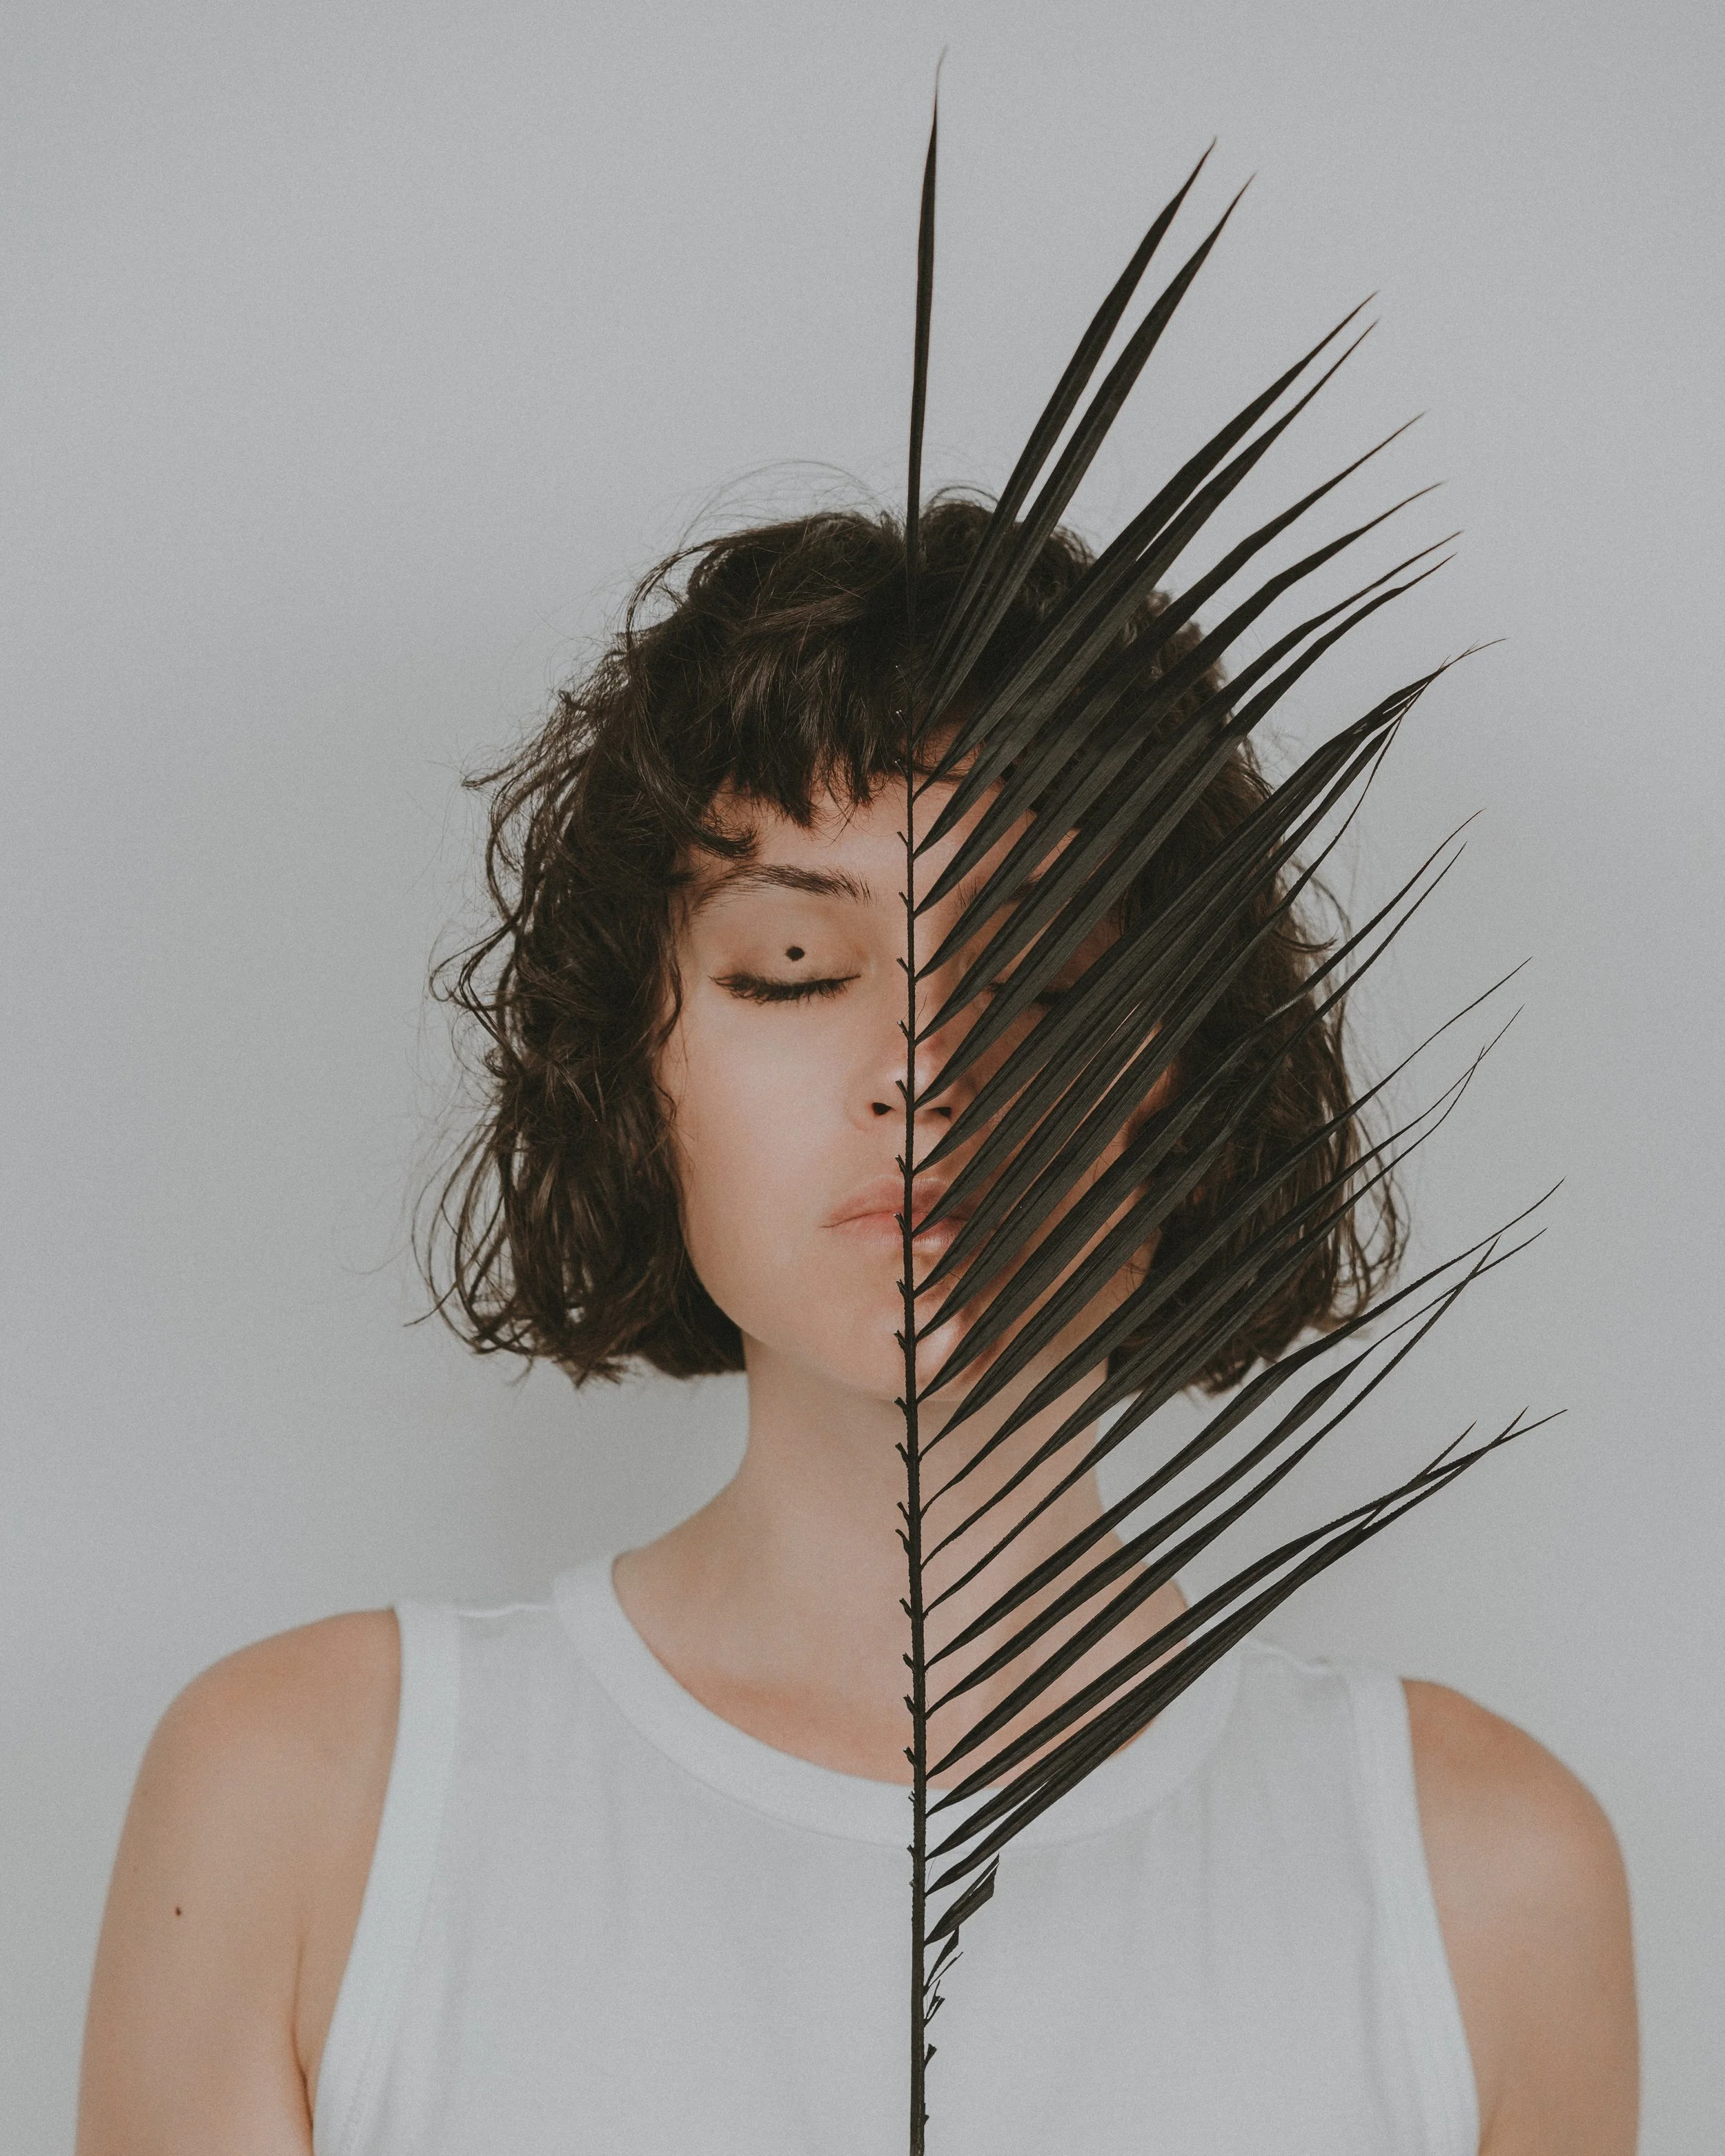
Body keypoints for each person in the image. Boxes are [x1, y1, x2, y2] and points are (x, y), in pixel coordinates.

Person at [76, 502, 1637, 2155]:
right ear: (643, 1064)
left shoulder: (1479, 1871)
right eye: (794, 965)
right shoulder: (308, 1801)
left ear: (1177, 1070)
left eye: (1036, 978)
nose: (924, 1071)